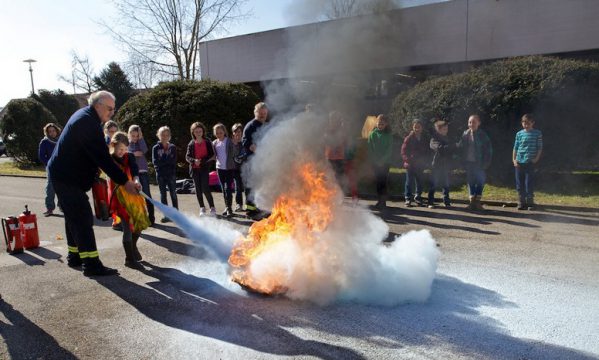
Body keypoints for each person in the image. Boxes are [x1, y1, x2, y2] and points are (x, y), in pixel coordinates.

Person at [48, 90, 139, 276]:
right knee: (82, 218)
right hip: (66, 178)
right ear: (98, 105)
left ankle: (74, 256)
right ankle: (91, 264)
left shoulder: (86, 117)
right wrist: (125, 182)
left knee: (72, 217)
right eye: (110, 109)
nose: (112, 113)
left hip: (65, 175)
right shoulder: (87, 123)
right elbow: (102, 158)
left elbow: (90, 154)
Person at [107, 132, 149, 269]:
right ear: (113, 146)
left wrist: (137, 181)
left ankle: (133, 246)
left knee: (139, 225)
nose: (122, 152)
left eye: (125, 149)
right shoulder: (109, 160)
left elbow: (135, 171)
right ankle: (129, 259)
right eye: (120, 149)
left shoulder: (129, 156)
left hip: (133, 196)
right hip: (119, 198)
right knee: (127, 227)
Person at [458, 114, 493, 210]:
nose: (471, 124)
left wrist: (486, 162)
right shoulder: (465, 134)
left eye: (473, 122)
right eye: (470, 122)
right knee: (470, 182)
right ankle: (472, 203)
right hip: (469, 162)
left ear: (479, 123)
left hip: (480, 163)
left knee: (480, 181)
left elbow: (488, 149)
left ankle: (477, 202)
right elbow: (460, 148)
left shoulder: (482, 135)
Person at [242, 102, 269, 220]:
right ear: (255, 113)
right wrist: (254, 148)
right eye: (260, 113)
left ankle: (261, 207)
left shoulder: (266, 125)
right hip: (252, 162)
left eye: (264, 113)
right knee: (251, 185)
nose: (262, 115)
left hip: (264, 162)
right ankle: (250, 210)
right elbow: (245, 142)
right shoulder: (251, 126)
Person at [512, 113, 543, 210]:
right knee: (519, 182)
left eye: (528, 123)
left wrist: (536, 159)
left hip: (530, 162)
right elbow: (515, 147)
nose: (526, 125)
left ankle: (530, 202)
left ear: (532, 123)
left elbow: (540, 147)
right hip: (519, 161)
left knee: (528, 182)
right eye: (524, 123)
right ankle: (521, 201)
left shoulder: (537, 133)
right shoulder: (519, 134)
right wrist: (514, 160)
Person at [186, 122, 216, 216]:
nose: (198, 133)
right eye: (196, 131)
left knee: (205, 188)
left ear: (203, 131)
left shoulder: (207, 141)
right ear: (193, 132)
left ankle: (212, 207)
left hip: (204, 169)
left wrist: (202, 161)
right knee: (198, 189)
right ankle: (202, 208)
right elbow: (187, 156)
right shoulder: (191, 143)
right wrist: (194, 161)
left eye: (200, 131)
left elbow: (212, 155)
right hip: (194, 170)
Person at [128, 125, 155, 225]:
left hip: (143, 172)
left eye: (137, 136)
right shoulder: (128, 144)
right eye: (133, 136)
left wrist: (141, 138)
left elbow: (144, 150)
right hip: (133, 174)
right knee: (135, 196)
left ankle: (151, 218)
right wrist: (133, 154)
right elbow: (127, 153)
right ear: (129, 135)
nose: (135, 138)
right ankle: (138, 218)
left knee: (147, 194)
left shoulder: (140, 142)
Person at [152, 126, 178, 222]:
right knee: (163, 195)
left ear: (169, 136)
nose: (164, 137)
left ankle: (176, 214)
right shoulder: (155, 148)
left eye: (167, 135)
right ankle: (166, 215)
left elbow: (173, 161)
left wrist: (163, 160)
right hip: (161, 175)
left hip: (171, 174)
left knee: (173, 194)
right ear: (159, 135)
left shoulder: (173, 147)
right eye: (162, 135)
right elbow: (156, 162)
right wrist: (166, 159)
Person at [428, 119, 456, 208]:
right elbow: (441, 149)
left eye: (446, 129)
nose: (446, 131)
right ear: (438, 130)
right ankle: (430, 202)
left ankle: (446, 202)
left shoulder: (447, 138)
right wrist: (452, 146)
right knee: (434, 184)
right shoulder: (433, 139)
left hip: (445, 165)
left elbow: (450, 151)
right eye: (444, 129)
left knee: (446, 184)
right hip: (436, 165)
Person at [401, 119, 429, 207]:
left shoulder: (424, 138)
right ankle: (408, 198)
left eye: (419, 127)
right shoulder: (409, 138)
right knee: (409, 182)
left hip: (420, 164)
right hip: (411, 164)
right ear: (412, 127)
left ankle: (418, 197)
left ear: (422, 128)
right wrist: (407, 159)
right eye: (415, 127)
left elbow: (427, 151)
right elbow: (403, 150)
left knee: (419, 182)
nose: (417, 129)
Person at [368, 114, 394, 209]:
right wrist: (376, 160)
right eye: (379, 124)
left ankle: (383, 202)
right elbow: (370, 149)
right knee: (378, 182)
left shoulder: (389, 135)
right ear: (376, 123)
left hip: (385, 163)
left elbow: (389, 150)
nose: (380, 126)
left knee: (383, 182)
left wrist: (382, 161)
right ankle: (379, 200)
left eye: (382, 124)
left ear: (386, 124)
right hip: (375, 163)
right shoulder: (372, 134)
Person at [212, 123, 237, 217]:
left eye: (221, 132)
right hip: (219, 168)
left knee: (228, 189)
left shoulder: (229, 141)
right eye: (217, 133)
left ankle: (229, 208)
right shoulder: (214, 143)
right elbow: (213, 155)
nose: (219, 134)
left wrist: (234, 144)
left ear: (224, 132)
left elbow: (234, 152)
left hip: (229, 168)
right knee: (223, 189)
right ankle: (227, 207)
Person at [38, 123, 61, 216]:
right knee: (50, 189)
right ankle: (50, 208)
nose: (52, 133)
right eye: (50, 131)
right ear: (47, 132)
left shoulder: (61, 140)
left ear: (57, 131)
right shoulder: (44, 142)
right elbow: (42, 156)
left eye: (53, 131)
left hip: (62, 167)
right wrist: (50, 163)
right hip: (51, 168)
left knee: (62, 188)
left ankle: (62, 206)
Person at [324, 111, 347, 185]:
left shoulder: (342, 129)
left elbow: (344, 141)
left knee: (339, 176)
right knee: (330, 176)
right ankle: (332, 193)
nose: (333, 121)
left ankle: (340, 194)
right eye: (332, 119)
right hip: (329, 156)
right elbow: (325, 140)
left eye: (335, 119)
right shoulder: (327, 129)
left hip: (339, 157)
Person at [231, 123, 245, 212]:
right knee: (238, 188)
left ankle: (249, 205)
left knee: (248, 188)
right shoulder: (231, 143)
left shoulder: (245, 142)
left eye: (239, 131)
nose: (238, 133)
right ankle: (238, 204)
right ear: (233, 133)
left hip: (245, 169)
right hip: (235, 169)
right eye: (236, 132)